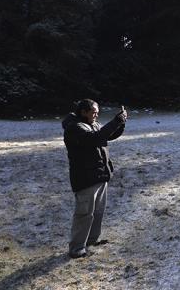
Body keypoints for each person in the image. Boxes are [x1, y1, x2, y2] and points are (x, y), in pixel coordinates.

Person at [62, 99, 127, 259]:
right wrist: (116, 121)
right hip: (85, 178)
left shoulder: (92, 124)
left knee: (98, 211)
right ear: (83, 112)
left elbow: (108, 135)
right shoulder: (74, 127)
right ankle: (76, 248)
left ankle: (92, 240)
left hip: (100, 175)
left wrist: (121, 123)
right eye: (94, 112)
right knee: (84, 214)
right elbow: (94, 139)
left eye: (97, 112)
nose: (97, 115)